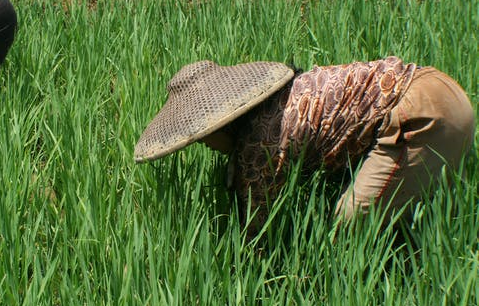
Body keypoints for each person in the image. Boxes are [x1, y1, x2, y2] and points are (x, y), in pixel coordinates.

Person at [134, 57, 475, 230]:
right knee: (402, 214)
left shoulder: (260, 147)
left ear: (224, 122)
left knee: (347, 227)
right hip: (436, 85)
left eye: (204, 136)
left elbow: (257, 228)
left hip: (423, 120)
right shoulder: (280, 99)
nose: (206, 145)